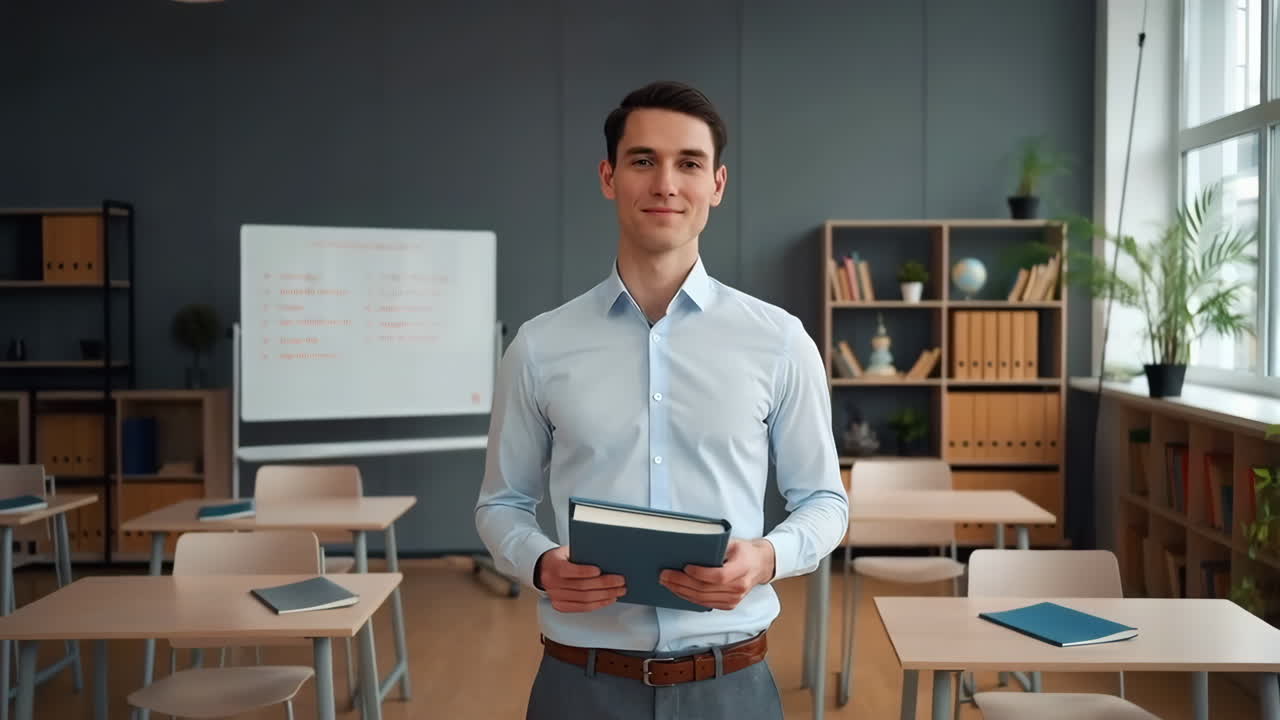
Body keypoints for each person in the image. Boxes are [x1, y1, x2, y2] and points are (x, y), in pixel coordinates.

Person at [475, 80, 848, 720]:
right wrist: (540, 564)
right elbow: (501, 503)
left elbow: (823, 501)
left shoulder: (780, 341)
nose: (665, 183)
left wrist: (764, 558)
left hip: (733, 682)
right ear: (608, 176)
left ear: (718, 185)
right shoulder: (540, 346)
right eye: (643, 160)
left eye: (689, 164)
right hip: (578, 683)